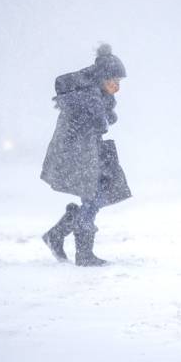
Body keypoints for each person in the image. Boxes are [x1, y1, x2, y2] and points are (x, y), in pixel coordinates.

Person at [40, 43, 131, 266]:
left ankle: (58, 234)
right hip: (79, 154)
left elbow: (101, 121)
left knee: (96, 197)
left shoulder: (93, 94)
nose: (117, 87)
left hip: (86, 152)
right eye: (114, 81)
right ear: (102, 78)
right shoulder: (89, 96)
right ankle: (83, 253)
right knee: (93, 199)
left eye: (119, 83)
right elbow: (101, 123)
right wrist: (107, 115)